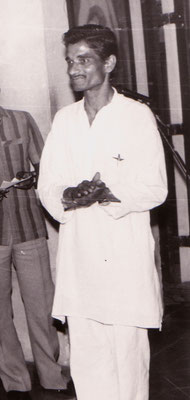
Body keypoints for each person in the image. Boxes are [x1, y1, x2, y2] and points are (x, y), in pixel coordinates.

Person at [37, 24, 167, 400]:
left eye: (84, 60)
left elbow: (156, 187)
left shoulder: (137, 116)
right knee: (88, 363)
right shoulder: (65, 120)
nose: (74, 69)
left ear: (108, 62)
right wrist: (69, 193)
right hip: (81, 257)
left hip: (124, 257)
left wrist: (108, 192)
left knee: (127, 359)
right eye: (69, 61)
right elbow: (48, 185)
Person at [0, 62, 71, 400]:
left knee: (41, 305)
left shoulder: (22, 120)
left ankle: (52, 376)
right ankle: (15, 382)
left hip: (29, 227)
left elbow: (45, 169)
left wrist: (33, 177)